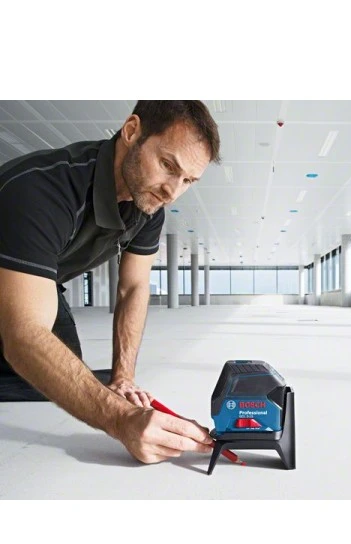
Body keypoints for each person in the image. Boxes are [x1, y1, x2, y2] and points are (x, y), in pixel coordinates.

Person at [0, 100, 221, 464]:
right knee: (34, 361)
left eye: (188, 181)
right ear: (132, 131)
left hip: (40, 280)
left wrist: (123, 379)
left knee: (64, 373)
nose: (172, 191)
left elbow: (133, 287)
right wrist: (123, 419)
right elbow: (25, 335)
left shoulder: (148, 203)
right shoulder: (41, 190)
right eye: (168, 166)